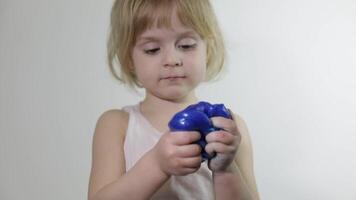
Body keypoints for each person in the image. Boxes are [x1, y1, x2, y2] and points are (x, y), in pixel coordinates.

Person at [88, 0, 259, 199]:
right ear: (128, 58)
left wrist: (226, 169)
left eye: (187, 45)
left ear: (208, 49)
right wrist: (157, 164)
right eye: (152, 49)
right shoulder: (116, 125)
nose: (172, 60)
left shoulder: (230, 127)